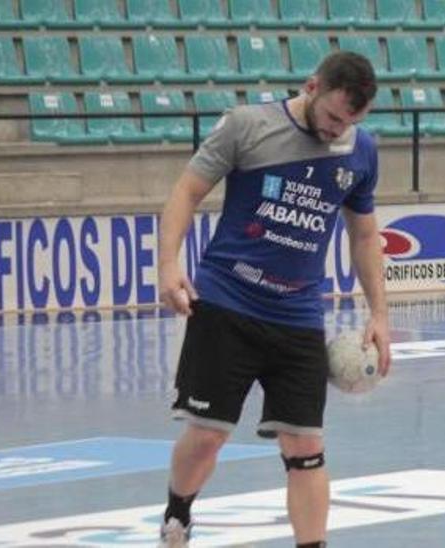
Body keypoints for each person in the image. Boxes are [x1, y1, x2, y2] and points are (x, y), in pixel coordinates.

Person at [154, 52, 392, 546]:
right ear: (311, 86)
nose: (337, 132)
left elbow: (365, 237)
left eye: (351, 122)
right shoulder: (246, 126)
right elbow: (186, 192)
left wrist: (380, 314)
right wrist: (168, 265)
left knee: (306, 447)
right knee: (207, 436)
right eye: (332, 117)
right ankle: (178, 512)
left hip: (299, 316)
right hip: (226, 304)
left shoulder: (361, 151)